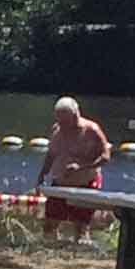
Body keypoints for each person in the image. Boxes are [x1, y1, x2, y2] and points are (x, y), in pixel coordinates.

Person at [36, 96, 111, 238]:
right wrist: (42, 174)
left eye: (65, 121)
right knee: (50, 224)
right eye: (59, 121)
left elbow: (106, 157)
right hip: (60, 182)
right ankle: (51, 248)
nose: (62, 125)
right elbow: (51, 155)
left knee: (81, 227)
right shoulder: (57, 130)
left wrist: (82, 167)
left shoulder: (91, 130)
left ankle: (80, 247)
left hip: (85, 183)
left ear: (75, 115)